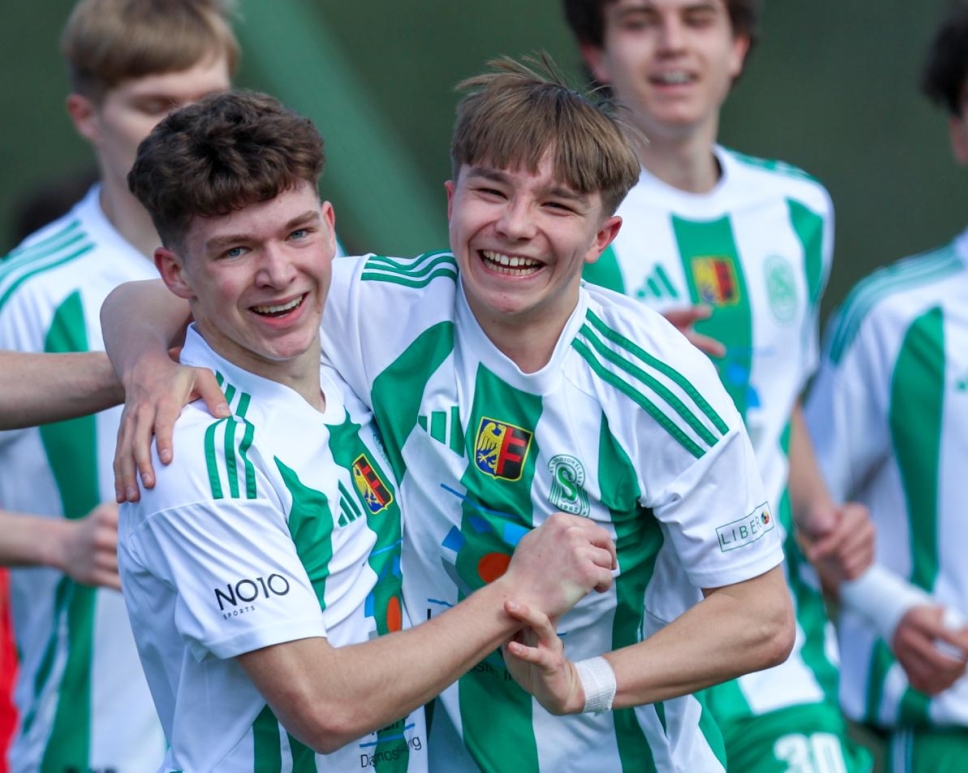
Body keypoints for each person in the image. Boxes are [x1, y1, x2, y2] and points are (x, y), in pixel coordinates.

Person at [104, 55, 794, 772]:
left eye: (557, 206)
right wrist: (145, 363)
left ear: (602, 237)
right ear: (451, 200)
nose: (515, 226)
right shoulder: (378, 308)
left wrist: (583, 683)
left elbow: (762, 617)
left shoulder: (661, 382)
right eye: (491, 192)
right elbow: (165, 291)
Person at [120, 87, 617, 769]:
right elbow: (323, 708)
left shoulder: (347, 364)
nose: (279, 274)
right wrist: (519, 591)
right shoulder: (198, 453)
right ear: (176, 273)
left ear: (330, 227)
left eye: (298, 234)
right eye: (235, 251)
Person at [562, 1, 874, 770]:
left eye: (698, 18)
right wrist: (619, 359)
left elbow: (778, 391)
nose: (672, 44)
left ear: (737, 47)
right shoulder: (563, 220)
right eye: (641, 21)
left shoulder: (798, 211)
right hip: (624, 648)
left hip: (777, 645)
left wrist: (821, 515)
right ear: (597, 53)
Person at [0, 1, 237, 768]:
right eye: (155, 104)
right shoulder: (34, 291)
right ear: (86, 115)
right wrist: (53, 541)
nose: (189, 129)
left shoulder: (284, 272)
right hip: (93, 745)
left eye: (209, 99)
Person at [806, 1, 968, 770]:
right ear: (958, 134)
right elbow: (794, 519)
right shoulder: (896, 317)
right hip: (952, 742)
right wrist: (885, 606)